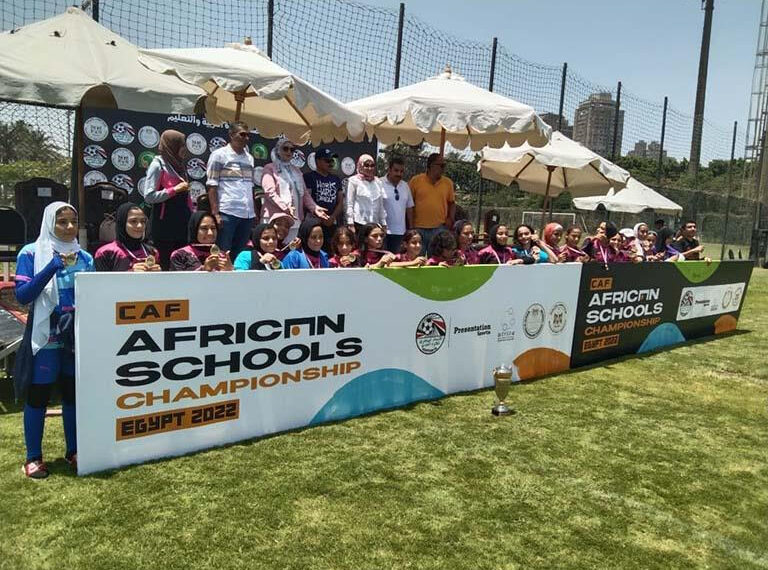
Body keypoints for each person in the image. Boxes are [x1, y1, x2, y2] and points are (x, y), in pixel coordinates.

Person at [14, 202, 93, 478]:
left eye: (73, 221)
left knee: (72, 394)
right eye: (62, 222)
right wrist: (51, 266)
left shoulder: (85, 257)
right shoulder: (31, 252)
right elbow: (23, 296)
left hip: (74, 337)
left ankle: (74, 451)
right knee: (39, 396)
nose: (69, 227)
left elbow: (92, 295)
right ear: (50, 223)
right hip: (45, 335)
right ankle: (33, 457)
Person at [141, 129, 192, 270]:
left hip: (181, 226)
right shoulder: (158, 165)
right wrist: (174, 190)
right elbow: (149, 196)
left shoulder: (180, 165)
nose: (184, 149)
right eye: (181, 145)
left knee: (181, 264)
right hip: (164, 228)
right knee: (164, 265)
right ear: (172, 145)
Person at [206, 121, 257, 261]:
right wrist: (216, 213)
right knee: (223, 253)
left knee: (240, 255)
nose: (246, 138)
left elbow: (250, 186)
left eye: (248, 135)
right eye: (242, 134)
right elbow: (212, 185)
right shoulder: (219, 155)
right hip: (227, 212)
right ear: (231, 135)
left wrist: (254, 213)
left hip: (247, 214)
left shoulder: (250, 158)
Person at [262, 136, 328, 242]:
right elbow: (270, 192)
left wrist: (315, 208)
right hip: (274, 218)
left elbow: (305, 194)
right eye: (285, 148)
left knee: (291, 250)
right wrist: (286, 207)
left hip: (295, 219)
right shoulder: (269, 168)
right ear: (278, 150)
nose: (289, 152)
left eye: (292, 150)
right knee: (272, 249)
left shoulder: (296, 170)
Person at [409, 153, 455, 255]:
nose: (443, 168)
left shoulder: (448, 183)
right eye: (441, 165)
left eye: (444, 165)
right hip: (418, 228)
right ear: (430, 165)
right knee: (417, 259)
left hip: (439, 228)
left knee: (436, 259)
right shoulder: (415, 181)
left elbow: (452, 203)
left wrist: (450, 219)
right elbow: (409, 205)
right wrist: (411, 226)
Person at [94, 203, 161, 272]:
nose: (140, 226)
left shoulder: (152, 252)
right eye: (133, 221)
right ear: (122, 223)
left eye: (143, 221)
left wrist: (159, 275)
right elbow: (102, 281)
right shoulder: (106, 253)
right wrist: (130, 273)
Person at [303, 147, 344, 251]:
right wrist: (320, 218)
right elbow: (306, 200)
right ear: (317, 161)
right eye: (327, 161)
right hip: (314, 222)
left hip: (331, 222)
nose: (330, 163)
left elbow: (340, 201)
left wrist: (332, 217)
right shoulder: (308, 177)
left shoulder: (336, 179)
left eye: (332, 161)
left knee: (330, 251)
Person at [379, 156, 414, 253]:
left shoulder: (405, 186)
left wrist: (411, 229)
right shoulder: (379, 183)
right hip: (382, 232)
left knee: (397, 262)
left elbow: (409, 208)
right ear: (389, 170)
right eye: (396, 170)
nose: (399, 174)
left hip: (400, 233)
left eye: (401, 171)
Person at [346, 154, 387, 234]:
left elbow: (381, 206)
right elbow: (349, 203)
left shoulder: (378, 182)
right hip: (359, 223)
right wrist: (350, 223)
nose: (369, 168)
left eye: (372, 165)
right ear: (360, 165)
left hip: (375, 224)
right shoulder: (353, 180)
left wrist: (384, 223)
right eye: (366, 165)